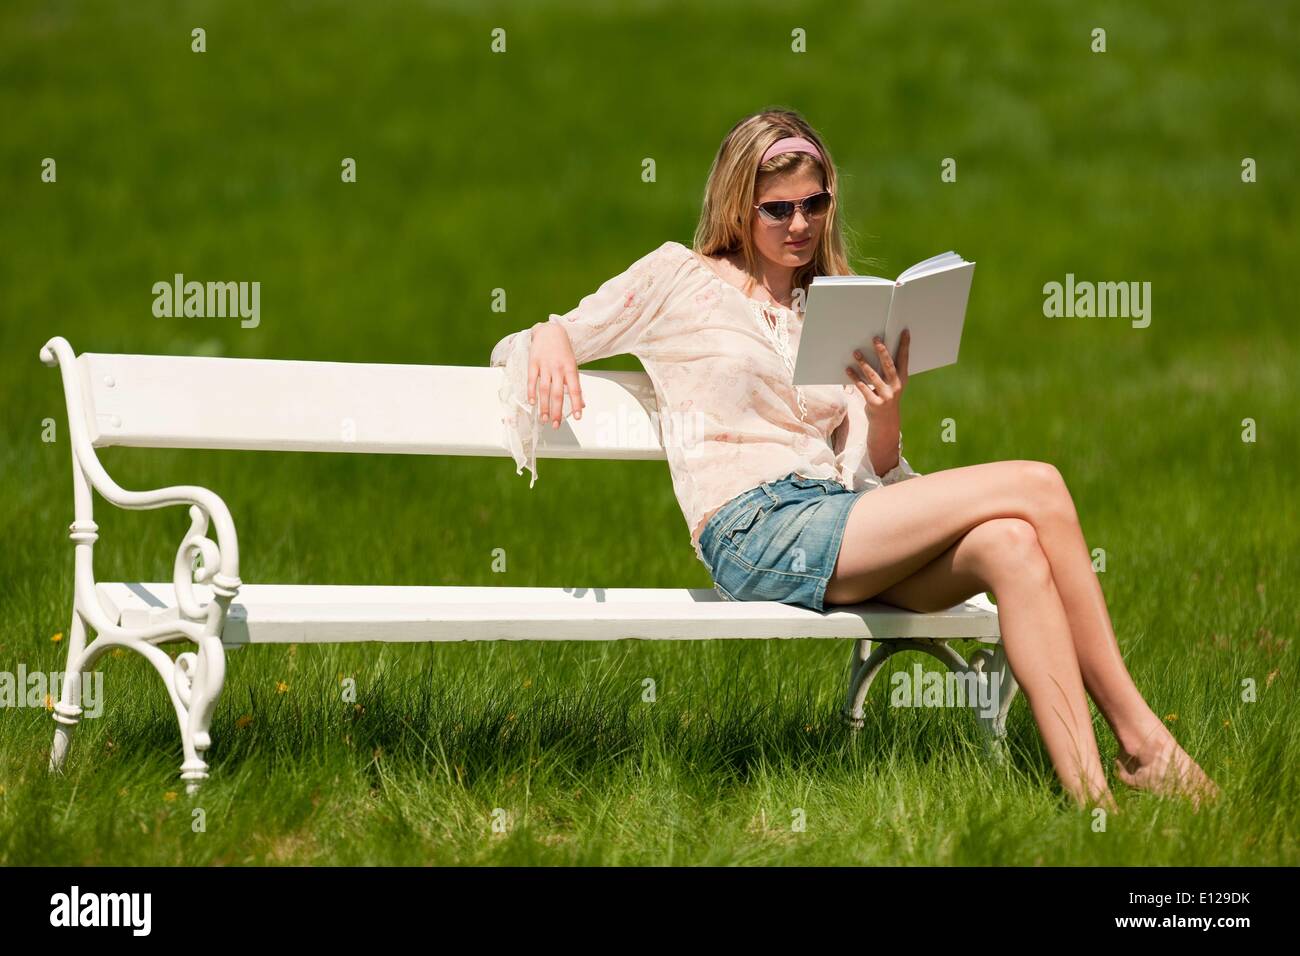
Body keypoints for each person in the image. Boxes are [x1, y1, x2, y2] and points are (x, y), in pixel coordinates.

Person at [489, 108, 1218, 812]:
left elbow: (871, 473)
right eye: (778, 209)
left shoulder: (834, 305)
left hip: (836, 518)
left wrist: (887, 407)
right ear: (738, 205)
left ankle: (1092, 802)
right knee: (1041, 484)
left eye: (815, 203)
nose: (800, 223)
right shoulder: (678, 278)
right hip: (754, 528)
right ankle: (1143, 740)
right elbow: (544, 336)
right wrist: (554, 336)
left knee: (1013, 544)